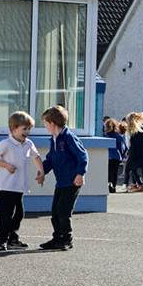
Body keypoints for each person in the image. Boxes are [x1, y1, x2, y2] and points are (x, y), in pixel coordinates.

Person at [0, 111, 44, 250]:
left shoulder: (28, 143)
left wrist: (41, 172)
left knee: (19, 214)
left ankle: (12, 239)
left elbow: (36, 157)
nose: (27, 132)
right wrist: (6, 165)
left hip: (20, 186)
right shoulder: (6, 144)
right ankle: (1, 240)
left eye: (29, 129)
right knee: (6, 215)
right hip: (7, 186)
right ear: (13, 129)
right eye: (24, 128)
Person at [37, 105, 88, 250]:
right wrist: (42, 172)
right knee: (55, 212)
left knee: (63, 212)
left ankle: (67, 239)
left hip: (72, 182)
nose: (45, 126)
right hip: (61, 182)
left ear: (52, 123)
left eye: (45, 123)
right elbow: (51, 159)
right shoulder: (53, 139)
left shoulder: (68, 138)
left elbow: (83, 156)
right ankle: (57, 238)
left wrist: (80, 174)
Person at [103, 117, 127, 194]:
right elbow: (123, 147)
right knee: (115, 172)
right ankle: (113, 186)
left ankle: (109, 184)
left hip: (108, 156)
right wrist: (122, 155)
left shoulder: (105, 136)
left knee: (109, 172)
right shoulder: (118, 136)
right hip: (117, 156)